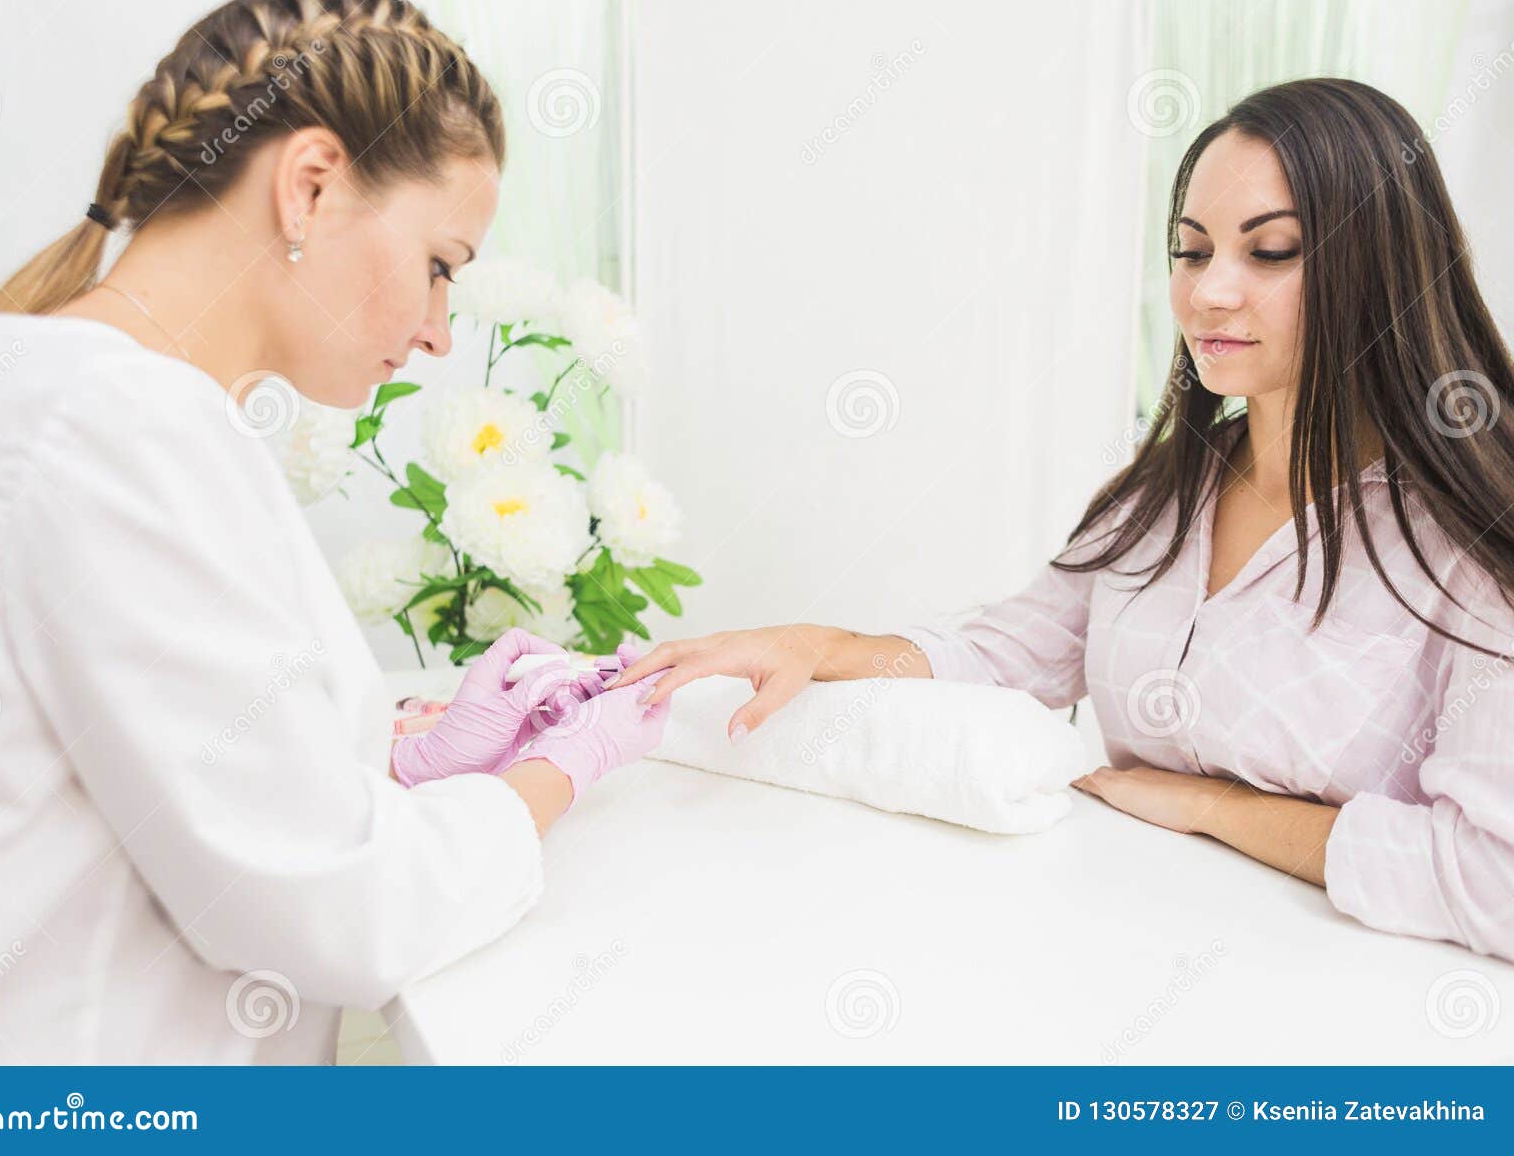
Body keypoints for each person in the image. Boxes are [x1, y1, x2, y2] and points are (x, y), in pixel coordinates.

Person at [0, 0, 666, 1064]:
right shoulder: (120, 432)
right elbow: (337, 911)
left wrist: (400, 760)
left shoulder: (28, 380)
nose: (439, 331)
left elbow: (169, 775)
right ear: (309, 185)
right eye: (441, 263)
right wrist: (553, 772)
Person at [612, 79, 1514, 964]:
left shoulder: (1471, 536)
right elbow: (1005, 657)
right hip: (1112, 949)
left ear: (1384, 264)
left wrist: (1210, 806)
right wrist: (819, 644)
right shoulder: (1163, 494)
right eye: (1192, 251)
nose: (1209, 292)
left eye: (1269, 251)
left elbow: (1493, 879)